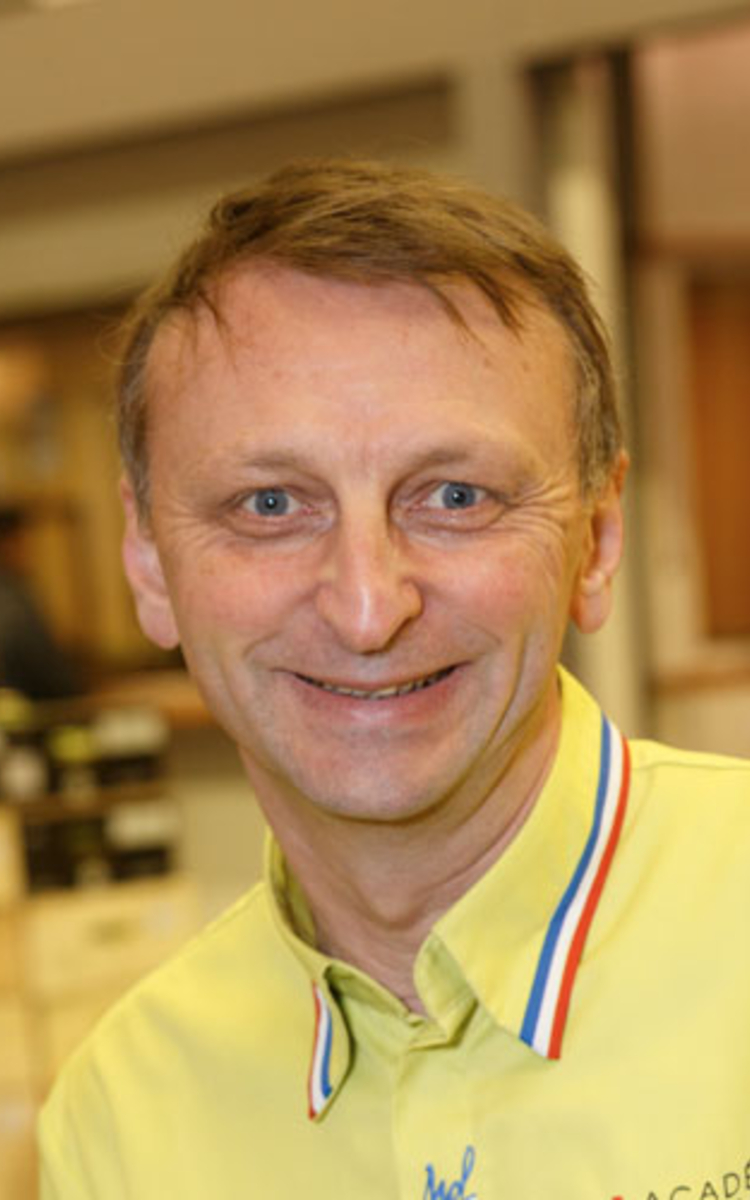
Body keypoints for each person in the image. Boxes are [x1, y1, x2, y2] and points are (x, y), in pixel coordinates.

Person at [39, 159, 750, 1199]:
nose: (369, 609)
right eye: (271, 505)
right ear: (148, 566)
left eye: (455, 495)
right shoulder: (121, 1120)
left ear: (597, 541)